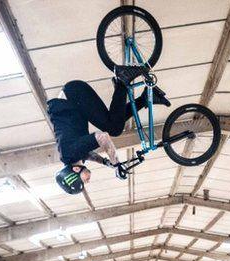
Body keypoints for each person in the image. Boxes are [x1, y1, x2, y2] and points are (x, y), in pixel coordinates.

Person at [49, 66, 171, 194]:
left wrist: (116, 163)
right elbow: (89, 155)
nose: (88, 182)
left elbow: (102, 137)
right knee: (114, 123)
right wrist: (106, 162)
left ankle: (122, 80)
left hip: (73, 95)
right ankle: (145, 98)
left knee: (114, 129)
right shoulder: (72, 156)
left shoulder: (70, 152)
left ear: (75, 170)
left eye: (83, 181)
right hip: (74, 100)